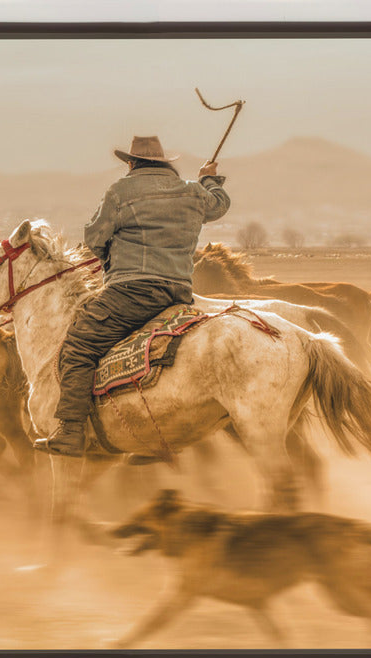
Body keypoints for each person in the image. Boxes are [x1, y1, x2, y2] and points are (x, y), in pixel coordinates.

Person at [33, 135, 231, 457]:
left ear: (131, 163)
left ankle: (70, 431)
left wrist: (111, 260)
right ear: (164, 163)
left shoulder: (121, 192)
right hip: (178, 292)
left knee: (78, 346)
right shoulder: (193, 191)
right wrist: (209, 178)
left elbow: (94, 237)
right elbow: (219, 204)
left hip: (131, 291)